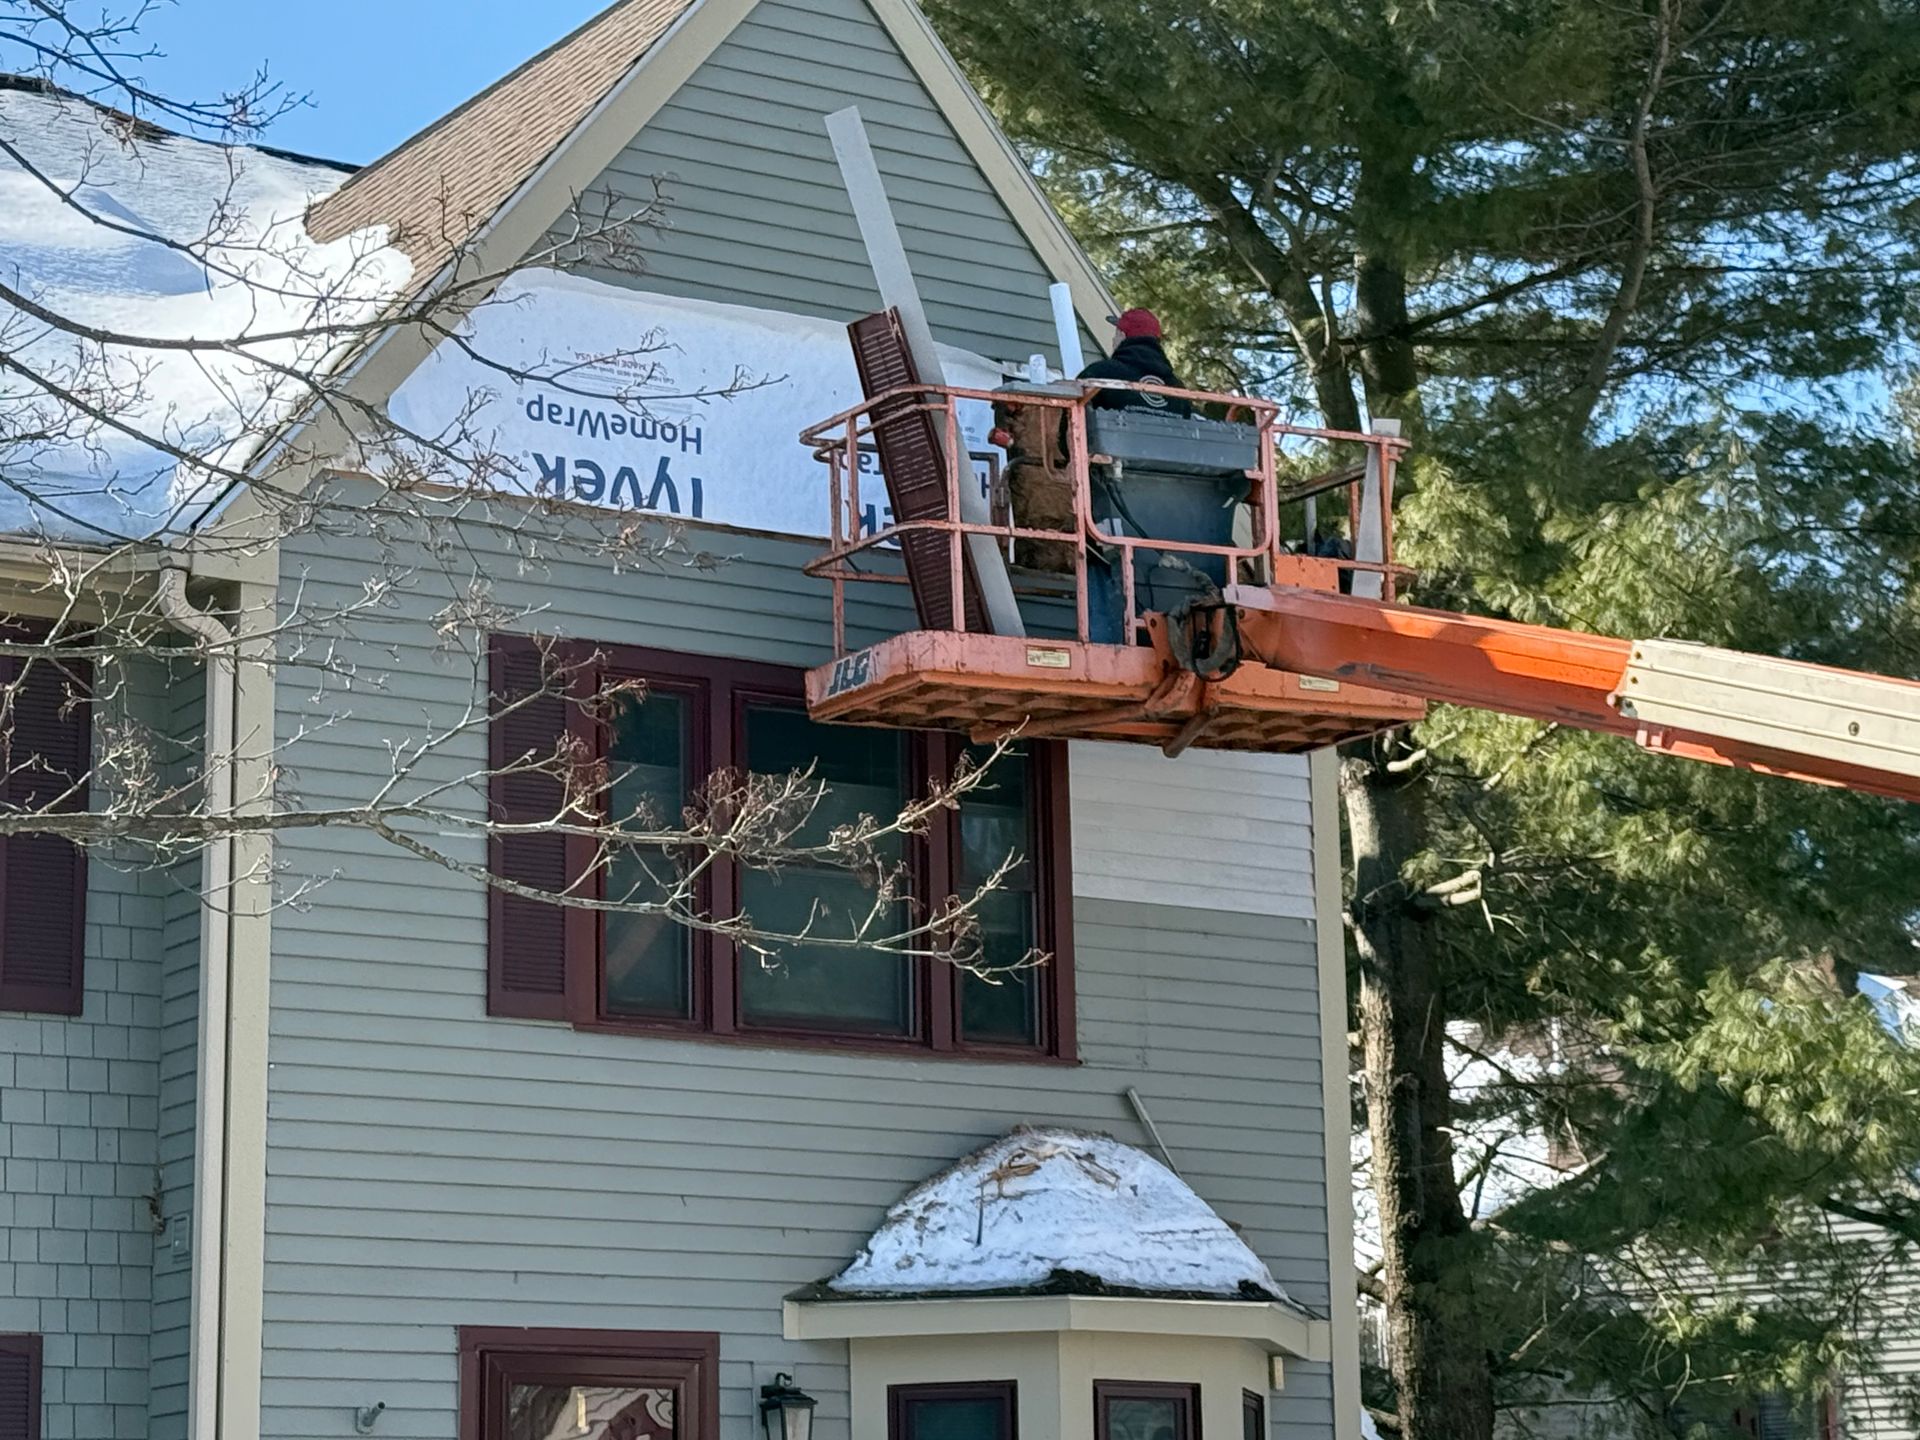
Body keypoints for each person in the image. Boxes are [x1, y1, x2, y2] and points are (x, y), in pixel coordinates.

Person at [1077, 308, 1193, 416]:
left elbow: (1068, 421)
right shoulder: (1179, 391)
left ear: (1122, 336)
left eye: (1116, 335)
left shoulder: (1100, 374)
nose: (1113, 341)